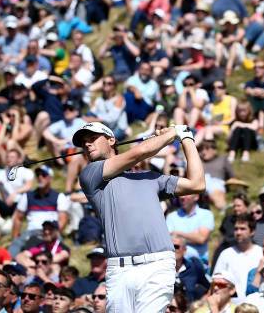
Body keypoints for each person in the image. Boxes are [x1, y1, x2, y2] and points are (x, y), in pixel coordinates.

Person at [74, 121, 205, 312]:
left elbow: (197, 184)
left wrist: (186, 138)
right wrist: (171, 134)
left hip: (158, 264)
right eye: (84, 142)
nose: (87, 144)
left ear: (111, 140)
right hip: (119, 269)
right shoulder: (90, 175)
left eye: (93, 138)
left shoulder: (149, 177)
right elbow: (139, 153)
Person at [213, 213, 263, 304]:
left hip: (256, 306)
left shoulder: (261, 254)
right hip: (231, 307)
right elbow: (216, 281)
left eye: (242, 229)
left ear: (252, 231)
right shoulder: (226, 254)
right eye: (236, 229)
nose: (238, 232)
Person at [166, 193, 214, 265]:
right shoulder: (171, 216)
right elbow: (169, 241)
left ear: (196, 197)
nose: (182, 197)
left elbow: (201, 238)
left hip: (198, 263)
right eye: (181, 194)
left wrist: (178, 234)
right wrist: (194, 236)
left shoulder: (206, 214)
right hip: (176, 263)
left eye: (186, 194)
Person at [172, 234, 209, 302]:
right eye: (170, 247)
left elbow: (208, 289)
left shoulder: (195, 267)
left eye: (176, 246)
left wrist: (198, 305)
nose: (173, 249)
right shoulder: (160, 269)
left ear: (184, 250)